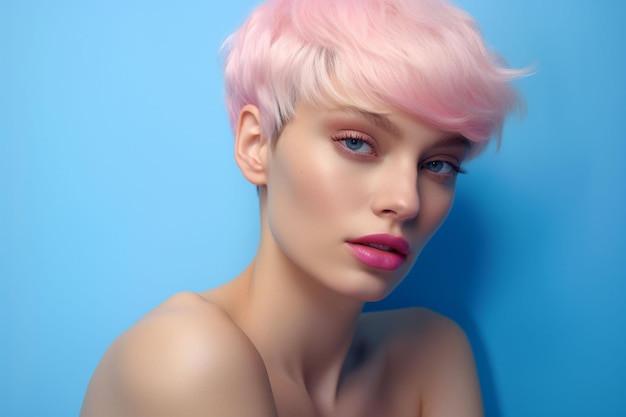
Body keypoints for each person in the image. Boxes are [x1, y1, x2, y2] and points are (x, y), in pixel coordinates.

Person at [80, 0, 525, 415]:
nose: (406, 201)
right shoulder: (185, 356)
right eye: (356, 142)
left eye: (439, 164)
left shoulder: (433, 351)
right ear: (256, 146)